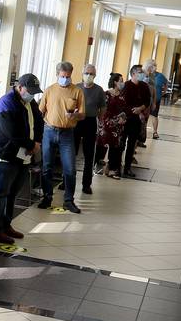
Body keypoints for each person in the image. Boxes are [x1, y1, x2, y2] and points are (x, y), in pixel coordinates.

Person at [0, 73, 44, 244]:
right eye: (30, 91)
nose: (32, 95)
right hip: (7, 155)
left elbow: (39, 121)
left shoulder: (29, 101)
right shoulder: (6, 102)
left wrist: (37, 143)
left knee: (13, 192)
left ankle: (6, 224)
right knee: (0, 193)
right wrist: (30, 145)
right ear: (20, 87)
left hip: (24, 155)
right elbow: (10, 132)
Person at [38, 61, 86, 213]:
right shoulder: (50, 90)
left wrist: (75, 115)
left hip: (67, 134)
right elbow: (41, 111)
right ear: (57, 75)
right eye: (62, 76)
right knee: (46, 167)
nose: (65, 79)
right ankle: (47, 197)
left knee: (70, 169)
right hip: (49, 131)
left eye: (68, 76)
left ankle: (68, 200)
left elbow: (83, 114)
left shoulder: (77, 91)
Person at [75, 64, 106, 194]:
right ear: (82, 74)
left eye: (91, 74)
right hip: (76, 121)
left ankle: (86, 184)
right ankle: (66, 181)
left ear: (95, 75)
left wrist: (99, 118)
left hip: (90, 121)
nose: (89, 76)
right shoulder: (76, 87)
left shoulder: (99, 90)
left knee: (89, 154)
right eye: (86, 73)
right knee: (71, 152)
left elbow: (103, 107)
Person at [95, 72, 128, 180]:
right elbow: (103, 110)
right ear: (115, 82)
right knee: (102, 144)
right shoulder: (107, 94)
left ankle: (112, 169)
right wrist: (112, 120)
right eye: (121, 81)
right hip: (107, 123)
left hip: (118, 125)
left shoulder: (123, 95)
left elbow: (125, 109)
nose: (122, 83)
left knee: (116, 147)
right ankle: (98, 165)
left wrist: (123, 118)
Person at [122, 64, 152, 178]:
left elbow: (147, 101)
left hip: (137, 119)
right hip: (126, 118)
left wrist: (140, 109)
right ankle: (115, 165)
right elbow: (123, 102)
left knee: (131, 144)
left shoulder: (144, 86)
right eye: (140, 72)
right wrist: (133, 110)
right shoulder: (126, 85)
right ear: (133, 74)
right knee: (121, 143)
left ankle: (127, 167)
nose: (142, 74)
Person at [141, 59, 169, 140]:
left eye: (155, 65)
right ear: (148, 66)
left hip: (155, 99)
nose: (155, 67)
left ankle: (154, 132)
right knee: (143, 118)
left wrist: (164, 92)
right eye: (153, 65)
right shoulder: (143, 75)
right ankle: (141, 136)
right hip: (145, 100)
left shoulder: (158, 76)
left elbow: (165, 83)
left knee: (154, 116)